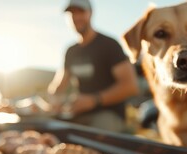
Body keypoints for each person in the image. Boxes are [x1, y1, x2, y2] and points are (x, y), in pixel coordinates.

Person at [47, 0, 139, 132]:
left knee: (97, 134)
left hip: (108, 114)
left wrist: (93, 100)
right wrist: (54, 100)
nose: (76, 17)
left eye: (81, 12)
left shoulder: (109, 45)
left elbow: (131, 87)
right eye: (72, 14)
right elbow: (58, 85)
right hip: (78, 114)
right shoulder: (71, 51)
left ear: (90, 13)